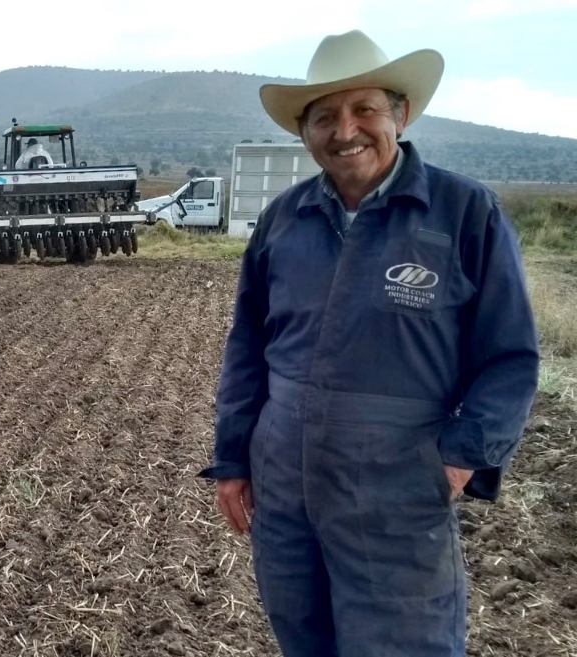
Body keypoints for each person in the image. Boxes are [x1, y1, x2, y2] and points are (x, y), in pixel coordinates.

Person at [198, 29, 539, 657]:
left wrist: (461, 458)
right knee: (303, 634)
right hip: (285, 481)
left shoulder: (465, 214)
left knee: (404, 643)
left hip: (398, 483)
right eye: (324, 116)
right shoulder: (285, 219)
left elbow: (511, 358)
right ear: (305, 131)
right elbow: (247, 351)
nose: (344, 129)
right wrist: (233, 460)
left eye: (364, 110)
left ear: (400, 115)